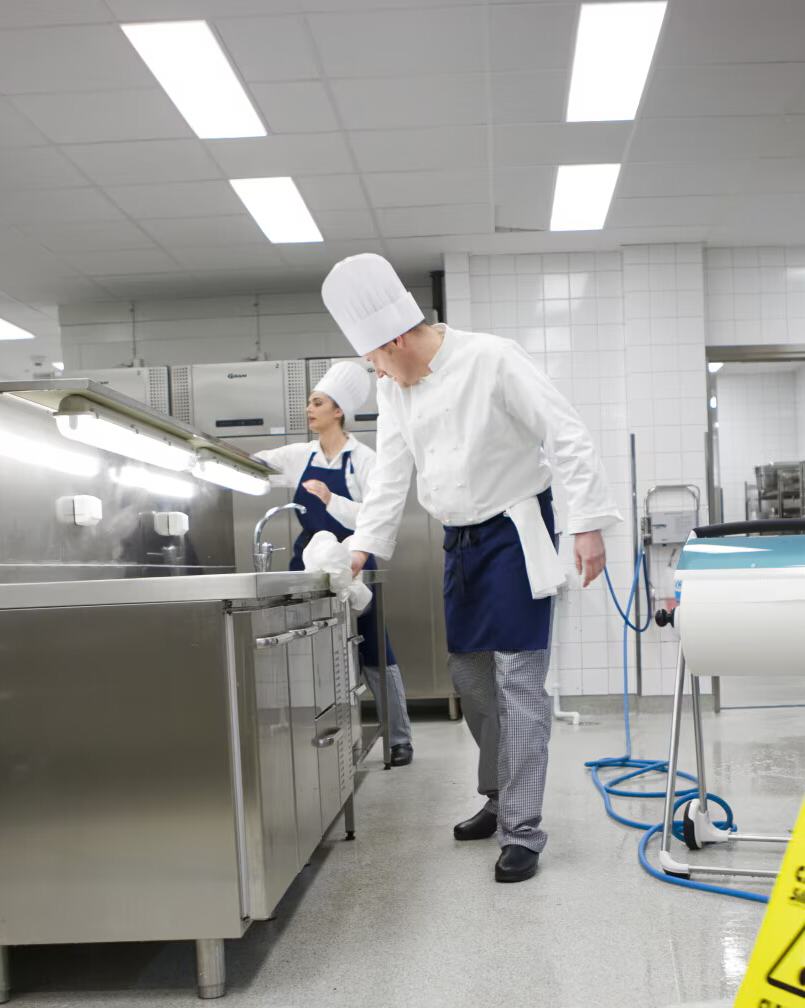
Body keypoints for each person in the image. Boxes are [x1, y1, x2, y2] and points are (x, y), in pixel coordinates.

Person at [322, 253, 620, 884]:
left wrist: (588, 523)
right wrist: (361, 547)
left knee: (519, 686)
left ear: (397, 340)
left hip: (515, 533)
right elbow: (392, 473)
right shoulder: (394, 387)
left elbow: (566, 433)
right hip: (459, 544)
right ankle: (499, 796)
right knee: (471, 678)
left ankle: (523, 828)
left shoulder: (492, 358)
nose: (377, 373)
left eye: (376, 359)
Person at [250, 360, 414, 767]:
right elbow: (255, 467)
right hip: (307, 563)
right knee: (311, 649)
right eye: (309, 402)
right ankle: (316, 737)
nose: (309, 409)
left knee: (375, 650)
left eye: (318, 402)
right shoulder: (298, 455)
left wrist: (331, 500)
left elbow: (376, 516)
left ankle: (399, 738)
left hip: (353, 561)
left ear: (338, 411)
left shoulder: (364, 459)